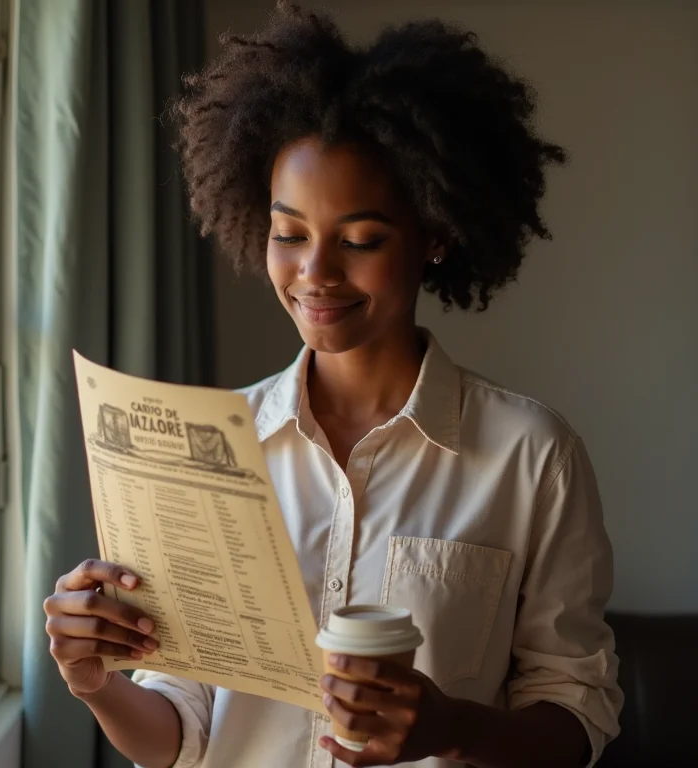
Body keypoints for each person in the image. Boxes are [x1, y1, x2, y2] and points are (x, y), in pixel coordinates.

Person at [43, 2, 622, 766]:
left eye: (359, 240)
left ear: (437, 235)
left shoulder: (533, 457)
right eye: (289, 235)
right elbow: (181, 731)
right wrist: (95, 683)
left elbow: (576, 718)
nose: (315, 274)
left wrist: (452, 728)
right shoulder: (203, 450)